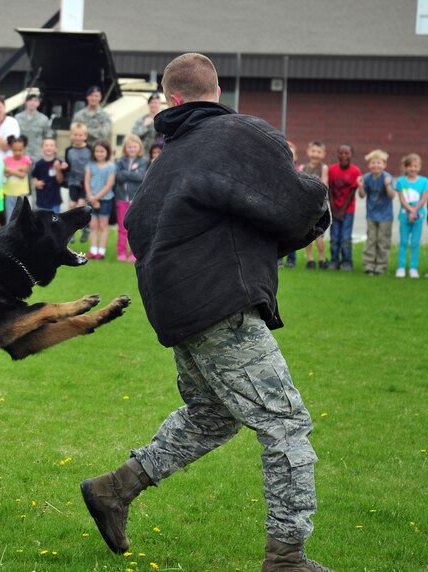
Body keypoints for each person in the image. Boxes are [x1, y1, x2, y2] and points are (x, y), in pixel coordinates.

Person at [80, 53, 330, 572]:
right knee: (286, 426)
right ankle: (287, 557)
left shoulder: (163, 165)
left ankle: (114, 489)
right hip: (223, 307)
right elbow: (294, 201)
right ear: (215, 90)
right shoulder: (242, 134)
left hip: (176, 313)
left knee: (212, 417)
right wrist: (313, 212)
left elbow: (140, 233)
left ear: (171, 100)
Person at [357, 149, 396, 275]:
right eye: (373, 163)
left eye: (379, 163)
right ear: (369, 165)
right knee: (371, 240)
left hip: (385, 216)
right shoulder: (367, 178)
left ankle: (381, 265)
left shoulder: (387, 178)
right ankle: (369, 264)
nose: (376, 165)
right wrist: (360, 186)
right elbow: (362, 195)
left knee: (382, 241)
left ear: (384, 165)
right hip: (372, 215)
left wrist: (388, 186)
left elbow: (391, 196)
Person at [114, 134, 148, 262]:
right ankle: (121, 253)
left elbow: (140, 176)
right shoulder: (120, 161)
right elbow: (118, 176)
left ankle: (134, 254)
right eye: (129, 147)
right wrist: (131, 174)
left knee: (135, 228)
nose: (132, 149)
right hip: (121, 198)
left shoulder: (143, 161)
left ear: (139, 148)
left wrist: (126, 174)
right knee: (122, 228)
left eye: (134, 147)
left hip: (136, 200)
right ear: (125, 148)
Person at [327, 144, 361, 271]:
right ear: (337, 154)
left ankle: (347, 262)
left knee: (345, 237)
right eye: (341, 153)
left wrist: (342, 211)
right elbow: (329, 190)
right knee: (334, 236)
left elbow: (352, 193)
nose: (343, 156)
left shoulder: (355, 171)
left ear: (352, 155)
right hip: (334, 209)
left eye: (347, 153)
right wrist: (334, 208)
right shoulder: (332, 170)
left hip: (348, 210)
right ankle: (334, 260)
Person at [394, 153, 428, 278]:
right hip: (404, 216)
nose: (413, 169)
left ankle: (414, 268)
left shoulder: (424, 181)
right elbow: (402, 199)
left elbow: (424, 198)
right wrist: (410, 210)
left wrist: (415, 211)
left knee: (415, 243)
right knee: (403, 242)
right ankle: (401, 267)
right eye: (410, 166)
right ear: (405, 167)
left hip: (418, 217)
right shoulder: (401, 182)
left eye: (416, 166)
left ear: (419, 167)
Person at [84, 139, 116, 260]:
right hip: (91, 199)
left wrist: (97, 198)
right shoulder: (90, 165)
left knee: (103, 226)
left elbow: (109, 184)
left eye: (102, 151)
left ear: (107, 152)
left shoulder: (111, 166)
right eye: (97, 151)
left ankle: (101, 252)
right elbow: (86, 182)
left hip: (105, 200)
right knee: (93, 226)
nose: (99, 154)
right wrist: (91, 198)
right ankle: (93, 250)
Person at [300, 141, 330, 269]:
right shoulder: (303, 168)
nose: (315, 154)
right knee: (307, 234)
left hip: (319, 205)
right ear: (308, 152)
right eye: (313, 151)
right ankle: (310, 259)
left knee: (319, 235)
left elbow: (323, 186)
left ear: (323, 154)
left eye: (318, 152)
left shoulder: (324, 168)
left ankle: (322, 258)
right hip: (307, 205)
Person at [60, 123, 92, 242]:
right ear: (71, 135)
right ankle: (70, 230)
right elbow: (68, 167)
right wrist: (65, 167)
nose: (78, 137)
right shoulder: (69, 150)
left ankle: (86, 228)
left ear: (85, 136)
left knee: (81, 204)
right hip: (73, 181)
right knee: (72, 205)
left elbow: (92, 165)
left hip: (85, 181)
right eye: (75, 135)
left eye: (80, 135)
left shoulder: (89, 149)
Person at [14, 93, 52, 163]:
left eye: (35, 100)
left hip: (37, 154)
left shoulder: (44, 119)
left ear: (38, 103)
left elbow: (48, 137)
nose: (32, 103)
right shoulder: (17, 118)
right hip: (21, 153)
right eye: (30, 100)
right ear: (25, 102)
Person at [2, 134, 32, 217]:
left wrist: (10, 170)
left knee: (21, 216)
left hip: (22, 193)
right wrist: (18, 170)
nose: (17, 152)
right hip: (9, 192)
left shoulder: (26, 159)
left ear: (24, 148)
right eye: (15, 150)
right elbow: (6, 174)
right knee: (9, 215)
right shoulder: (6, 160)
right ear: (11, 148)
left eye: (20, 150)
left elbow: (23, 175)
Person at [31, 137, 63, 214]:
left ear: (56, 149)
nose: (49, 147)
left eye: (52, 145)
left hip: (55, 200)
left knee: (54, 223)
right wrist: (36, 183)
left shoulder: (59, 162)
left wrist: (58, 169)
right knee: (41, 223)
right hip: (41, 199)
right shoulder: (39, 164)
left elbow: (60, 180)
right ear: (42, 148)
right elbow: (34, 177)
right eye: (46, 145)